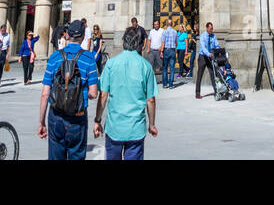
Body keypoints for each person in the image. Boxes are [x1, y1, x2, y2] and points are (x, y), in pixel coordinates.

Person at [93, 25, 158, 161]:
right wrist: (151, 125)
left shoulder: (111, 64)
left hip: (114, 126)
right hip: (136, 128)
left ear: (123, 41)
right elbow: (150, 100)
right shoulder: (146, 66)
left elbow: (103, 95)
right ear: (140, 44)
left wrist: (97, 120)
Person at [39, 18, 99, 160]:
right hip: (77, 117)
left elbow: (45, 94)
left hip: (56, 115)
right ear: (83, 37)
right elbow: (93, 93)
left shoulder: (54, 57)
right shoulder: (89, 58)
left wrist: (41, 122)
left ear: (67, 35)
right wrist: (80, 94)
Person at [195, 22, 218, 98]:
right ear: (207, 28)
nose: (212, 30)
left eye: (212, 28)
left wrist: (219, 50)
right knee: (200, 75)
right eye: (210, 29)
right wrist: (209, 54)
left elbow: (216, 45)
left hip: (210, 57)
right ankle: (197, 93)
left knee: (213, 74)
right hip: (203, 57)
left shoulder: (213, 36)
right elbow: (204, 48)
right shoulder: (203, 36)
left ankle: (216, 91)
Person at [161, 18, 178, 89]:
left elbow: (163, 42)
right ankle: (171, 84)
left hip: (166, 50)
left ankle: (165, 84)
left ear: (167, 24)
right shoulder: (175, 32)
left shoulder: (164, 32)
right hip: (172, 50)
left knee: (165, 67)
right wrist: (174, 48)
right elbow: (176, 42)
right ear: (172, 24)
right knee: (172, 68)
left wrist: (161, 51)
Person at [0, 24, 11, 88]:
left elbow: (9, 45)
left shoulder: (8, 35)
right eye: (2, 30)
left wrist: (8, 54)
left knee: (1, 67)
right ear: (0, 30)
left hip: (4, 52)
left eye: (4, 31)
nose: (3, 32)